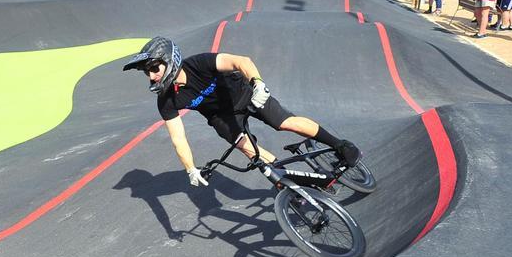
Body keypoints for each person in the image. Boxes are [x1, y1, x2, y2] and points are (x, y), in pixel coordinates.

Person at [122, 37, 361, 187]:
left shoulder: (199, 64)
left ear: (169, 61)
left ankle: (341, 145)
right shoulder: (166, 100)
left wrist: (258, 84)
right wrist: (190, 168)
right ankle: (289, 183)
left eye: (154, 68)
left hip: (245, 94)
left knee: (284, 122)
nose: (152, 76)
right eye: (147, 72)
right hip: (221, 117)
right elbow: (178, 139)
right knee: (247, 148)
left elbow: (241, 61)